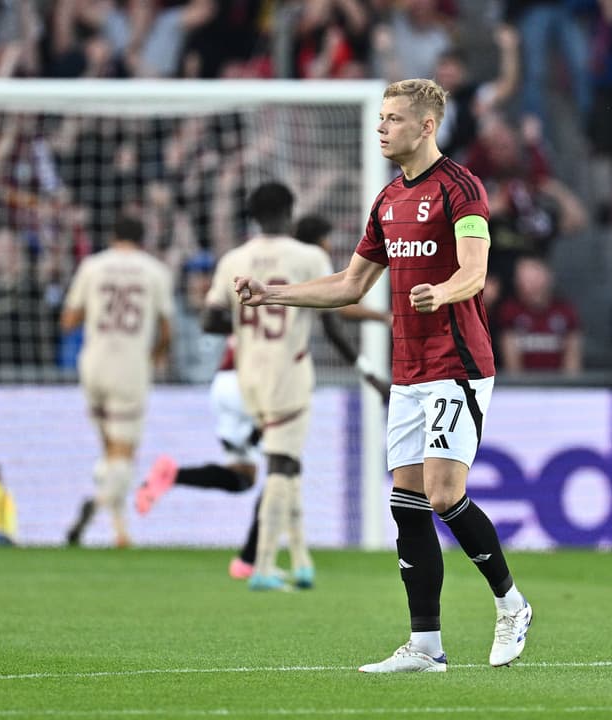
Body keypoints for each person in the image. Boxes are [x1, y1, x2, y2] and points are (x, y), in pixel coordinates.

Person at [235, 78, 532, 672]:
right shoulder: (387, 201)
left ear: (426, 126)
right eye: (380, 118)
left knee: (446, 493)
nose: (381, 128)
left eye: (393, 119)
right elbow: (349, 284)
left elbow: (475, 273)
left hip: (459, 364)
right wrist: (274, 294)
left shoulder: (462, 189)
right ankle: (425, 646)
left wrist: (440, 292)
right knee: (407, 501)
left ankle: (511, 603)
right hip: (409, 369)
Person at [136, 213, 390, 583]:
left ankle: (174, 475)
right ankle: (263, 561)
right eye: (327, 243)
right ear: (315, 242)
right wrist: (371, 370)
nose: (330, 251)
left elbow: (214, 319)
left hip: (224, 382)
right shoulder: (305, 270)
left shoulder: (248, 266)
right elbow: (336, 320)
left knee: (245, 476)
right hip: (260, 382)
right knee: (283, 467)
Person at [61, 214, 174, 548]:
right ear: (143, 239)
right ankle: (96, 504)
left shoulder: (92, 267)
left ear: (113, 236)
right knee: (124, 453)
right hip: (129, 367)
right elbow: (167, 330)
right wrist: (154, 357)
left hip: (93, 364)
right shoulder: (155, 271)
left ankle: (119, 532)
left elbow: (68, 320)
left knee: (110, 453)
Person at [498, 255, 582, 374]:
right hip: (522, 388)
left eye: (532, 277)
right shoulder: (510, 312)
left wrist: (569, 388)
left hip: (560, 387)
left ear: (547, 276)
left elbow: (572, 359)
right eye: (521, 277)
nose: (526, 283)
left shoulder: (565, 311)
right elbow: (512, 365)